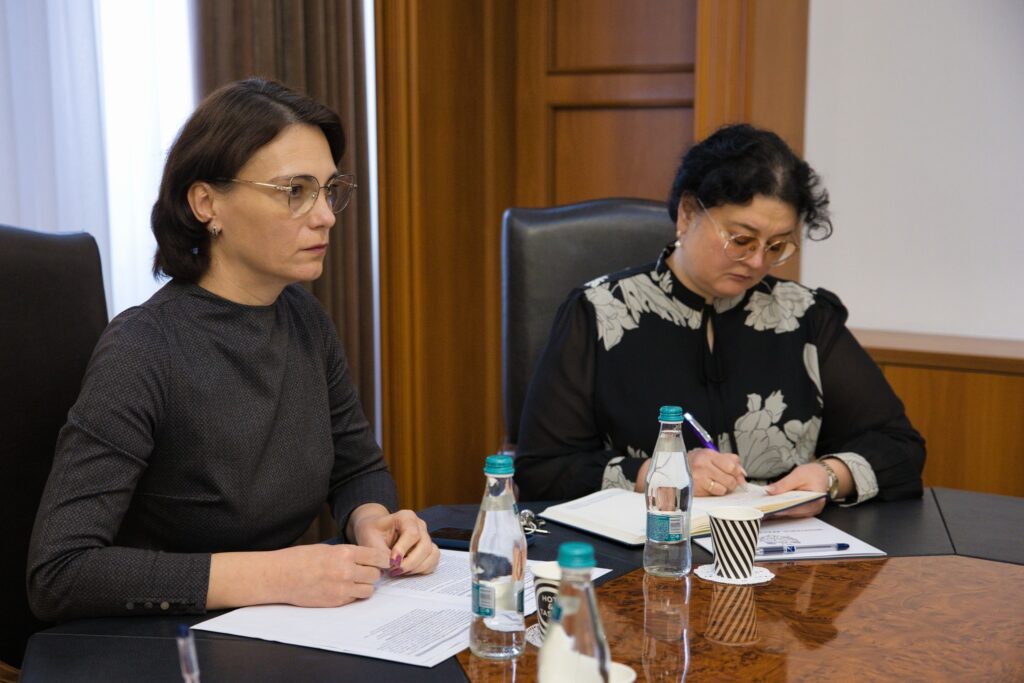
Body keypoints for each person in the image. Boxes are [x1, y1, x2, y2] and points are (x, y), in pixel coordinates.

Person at [27, 78, 439, 622]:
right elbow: (60, 573)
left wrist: (373, 521)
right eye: (295, 191)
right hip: (160, 638)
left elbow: (356, 467)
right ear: (207, 204)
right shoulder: (142, 349)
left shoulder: (304, 319)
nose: (326, 215)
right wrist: (274, 575)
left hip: (279, 625)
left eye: (328, 189)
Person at [514, 124, 925, 515]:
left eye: (777, 246)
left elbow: (898, 444)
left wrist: (830, 476)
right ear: (687, 214)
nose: (758, 262)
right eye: (741, 240)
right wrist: (653, 473)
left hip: (785, 546)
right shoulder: (600, 312)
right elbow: (542, 470)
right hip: (653, 546)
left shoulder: (805, 316)